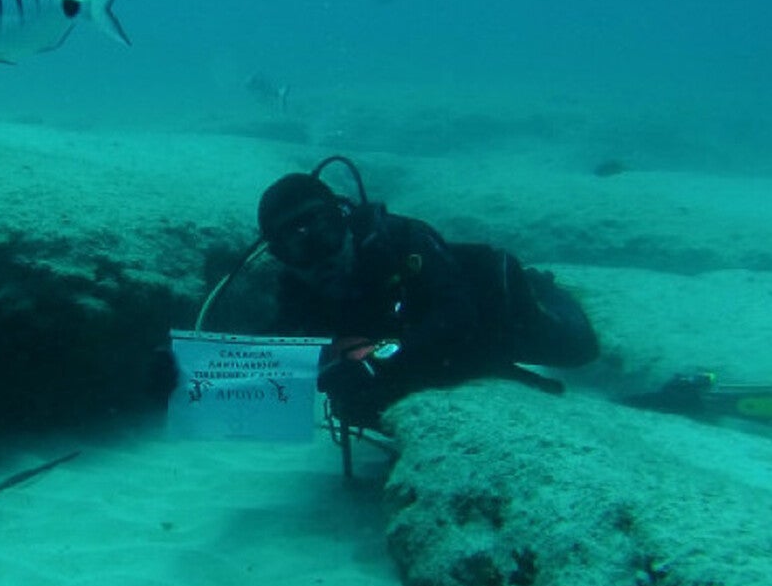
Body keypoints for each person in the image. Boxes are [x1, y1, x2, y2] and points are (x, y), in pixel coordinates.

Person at [256, 157, 599, 433]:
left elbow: (455, 316)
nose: (319, 254)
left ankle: (542, 286)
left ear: (341, 218)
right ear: (280, 254)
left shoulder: (402, 240)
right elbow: (287, 343)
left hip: (492, 308)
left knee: (578, 349)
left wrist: (375, 362)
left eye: (323, 231)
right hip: (412, 341)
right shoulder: (297, 286)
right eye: (295, 244)